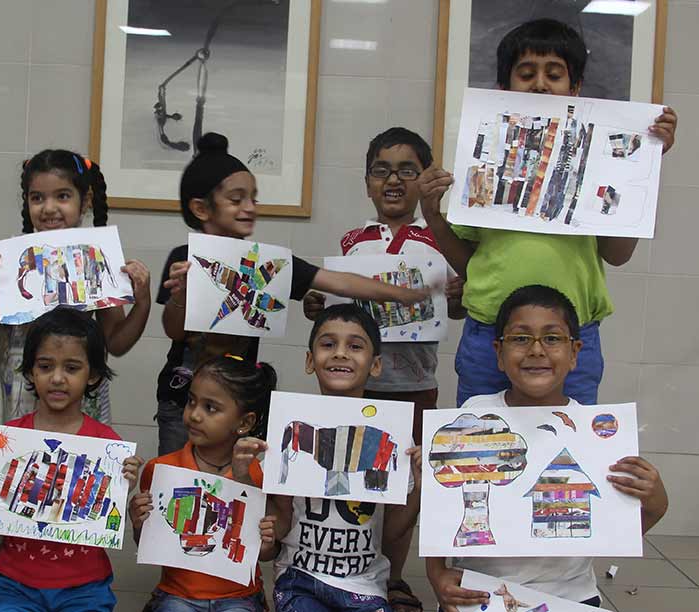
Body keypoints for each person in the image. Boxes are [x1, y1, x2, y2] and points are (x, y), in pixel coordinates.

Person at [415, 18, 679, 405]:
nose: (540, 84)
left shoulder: (598, 161)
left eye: (554, 75)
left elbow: (617, 254)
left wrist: (642, 167)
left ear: (575, 88)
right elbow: (470, 264)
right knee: (479, 437)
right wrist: (433, 215)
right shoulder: (485, 160)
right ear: (504, 88)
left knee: (568, 437)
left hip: (571, 336)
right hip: (491, 332)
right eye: (526, 74)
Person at [155, 132, 433, 456]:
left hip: (241, 401)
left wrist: (400, 294)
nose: (249, 208)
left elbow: (339, 282)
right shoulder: (184, 257)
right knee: (179, 468)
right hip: (184, 399)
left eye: (253, 199)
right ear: (201, 208)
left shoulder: (267, 263)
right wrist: (181, 296)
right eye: (236, 199)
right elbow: (173, 330)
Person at [303, 126, 466, 610]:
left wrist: (459, 297)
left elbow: (457, 310)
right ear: (368, 183)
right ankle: (349, 567)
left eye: (407, 171)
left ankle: (392, 576)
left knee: (402, 485)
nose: (393, 180)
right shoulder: (352, 243)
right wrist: (318, 305)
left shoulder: (442, 241)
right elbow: (341, 310)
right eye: (382, 171)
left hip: (414, 385)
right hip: (354, 390)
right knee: (355, 478)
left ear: (424, 180)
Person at [425, 285, 668, 609]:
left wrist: (656, 500)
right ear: (499, 353)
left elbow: (620, 527)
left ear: (575, 353)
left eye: (552, 338)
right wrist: (437, 574)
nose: (536, 349)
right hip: (479, 591)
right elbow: (441, 510)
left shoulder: (592, 434)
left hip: (571, 595)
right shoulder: (474, 415)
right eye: (520, 338)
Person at [0, 307, 143, 612]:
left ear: (93, 375)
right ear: (30, 372)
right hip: (15, 584)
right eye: (45, 366)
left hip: (85, 587)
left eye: (72, 368)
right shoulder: (9, 439)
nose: (57, 378)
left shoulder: (107, 443)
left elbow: (108, 513)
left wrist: (125, 481)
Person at [0, 150, 152, 425]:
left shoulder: (95, 258)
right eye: (37, 198)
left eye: (62, 196)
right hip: (23, 400)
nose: (49, 208)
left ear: (85, 200)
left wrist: (143, 302)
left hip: (81, 399)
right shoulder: (7, 264)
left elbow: (116, 343)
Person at [270, 304, 422, 612]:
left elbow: (393, 533)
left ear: (375, 365)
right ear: (310, 360)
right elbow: (278, 525)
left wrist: (420, 488)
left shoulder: (390, 436)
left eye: (355, 346)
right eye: (328, 344)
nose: (340, 353)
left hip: (365, 585)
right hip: (299, 577)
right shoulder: (290, 428)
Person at [129, 354, 280, 611]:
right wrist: (138, 521)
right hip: (177, 594)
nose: (195, 415)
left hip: (239, 596)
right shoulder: (162, 470)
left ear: (245, 423)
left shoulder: (256, 474)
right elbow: (149, 542)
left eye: (210, 408)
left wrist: (266, 542)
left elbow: (266, 553)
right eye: (191, 401)